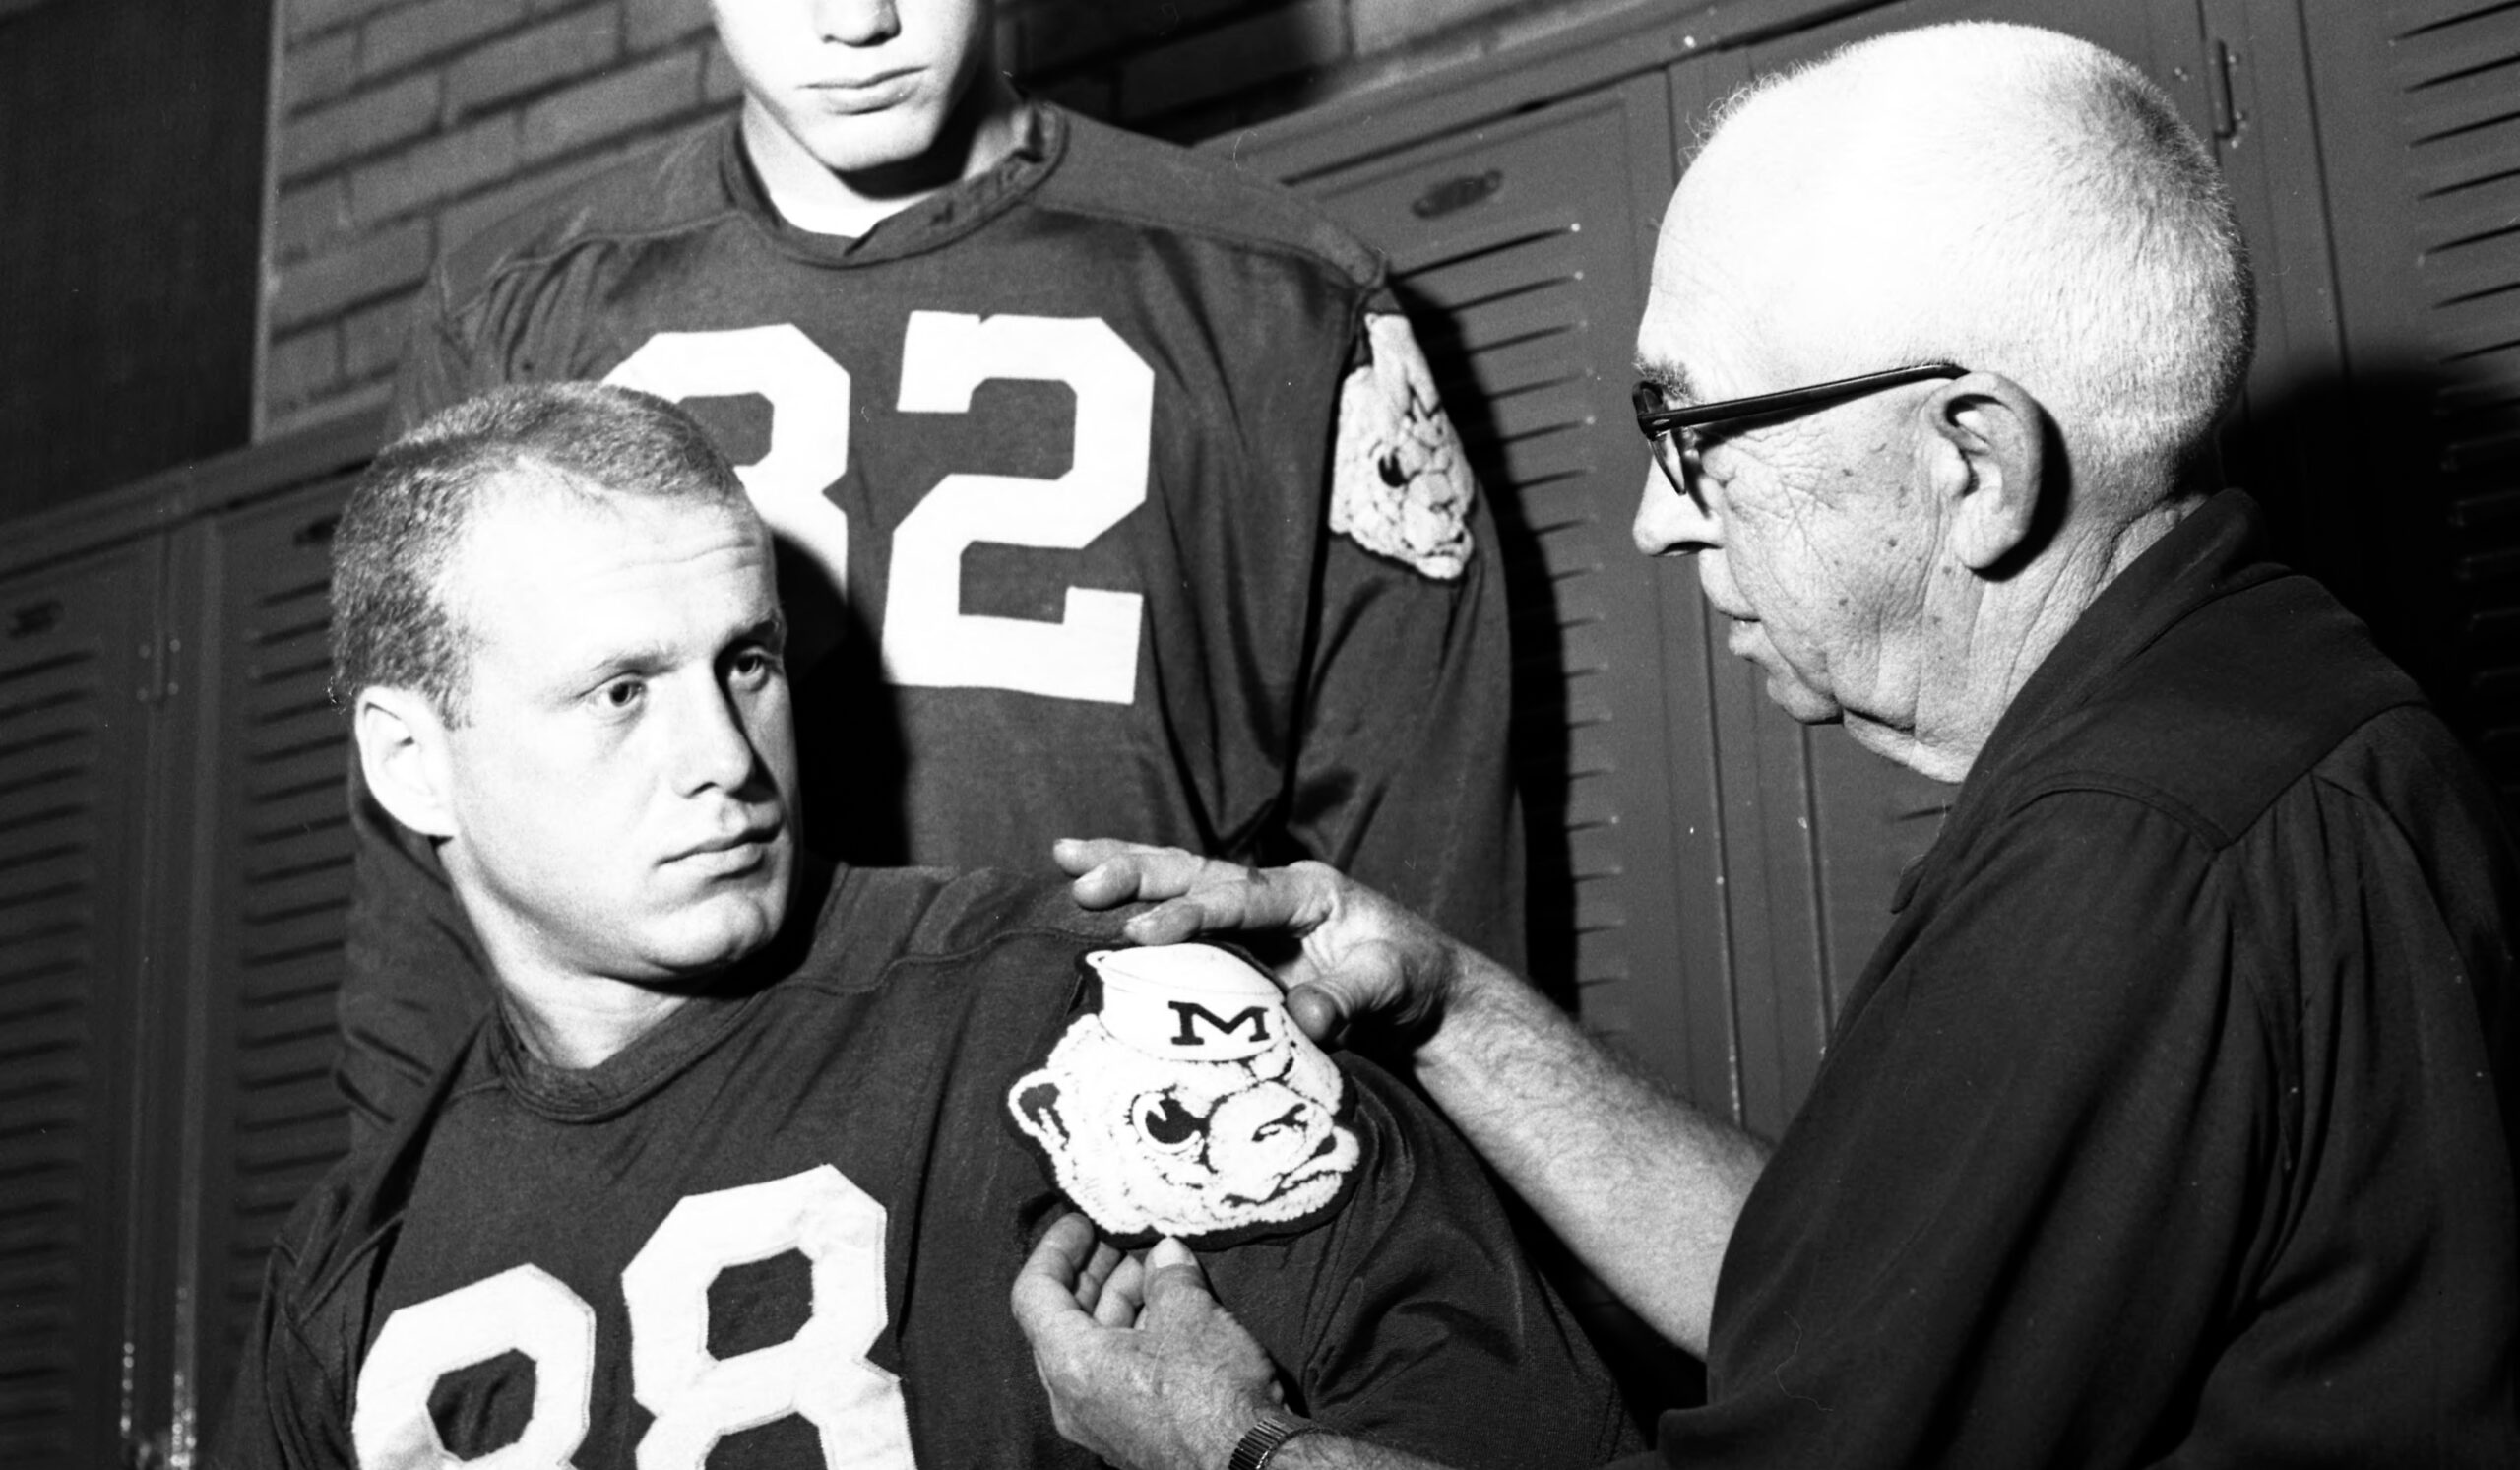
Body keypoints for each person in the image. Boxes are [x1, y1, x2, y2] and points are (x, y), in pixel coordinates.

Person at [1010, 21, 2520, 1470]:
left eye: (1690, 430)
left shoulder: (2133, 850)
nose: (1657, 518)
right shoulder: (2243, 715)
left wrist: (1230, 1445)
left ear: (1972, 463)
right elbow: (1846, 1313)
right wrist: (1443, 1000)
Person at [211, 382, 1626, 1470]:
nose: (729, 754)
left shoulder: (1093, 1012)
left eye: (748, 662)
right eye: (622, 691)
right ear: (411, 761)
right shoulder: (354, 1261)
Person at [338, 0, 1522, 1144]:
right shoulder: (516, 320)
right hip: (663, 1192)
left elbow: (1422, 880)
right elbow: (422, 900)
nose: (855, 21)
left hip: (1127, 1175)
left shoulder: (1277, 296)